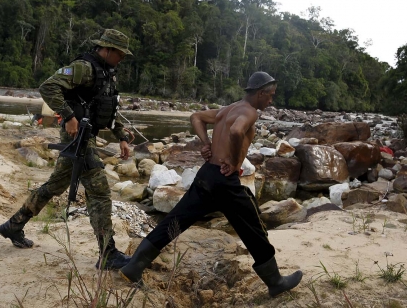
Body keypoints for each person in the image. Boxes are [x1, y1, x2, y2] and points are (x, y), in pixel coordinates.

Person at [120, 72, 303, 297]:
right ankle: (275, 281)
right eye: (271, 95)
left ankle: (134, 266)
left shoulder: (228, 109)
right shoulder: (250, 112)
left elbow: (196, 117)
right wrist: (236, 161)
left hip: (207, 175)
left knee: (175, 220)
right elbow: (236, 131)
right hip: (225, 180)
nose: (271, 101)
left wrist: (205, 144)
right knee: (253, 226)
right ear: (260, 92)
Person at [0, 29, 134, 270]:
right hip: (78, 136)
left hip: (88, 135)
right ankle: (108, 253)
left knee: (55, 185)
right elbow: (48, 87)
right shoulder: (83, 67)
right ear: (108, 49)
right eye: (120, 54)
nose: (122, 59)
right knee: (99, 191)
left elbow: (109, 110)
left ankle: (14, 225)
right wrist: (69, 116)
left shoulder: (109, 73)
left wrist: (121, 136)